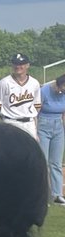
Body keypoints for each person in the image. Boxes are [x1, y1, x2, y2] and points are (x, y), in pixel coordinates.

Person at [0, 51, 42, 140]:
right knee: (10, 152)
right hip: (10, 122)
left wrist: (35, 129)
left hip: (29, 123)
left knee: (30, 152)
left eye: (21, 64)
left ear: (27, 65)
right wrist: (7, 117)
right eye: (15, 63)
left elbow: (36, 107)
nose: (18, 66)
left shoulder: (34, 83)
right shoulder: (4, 83)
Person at [39, 74, 65, 207]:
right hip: (43, 124)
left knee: (56, 162)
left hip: (58, 126)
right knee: (43, 161)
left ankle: (57, 194)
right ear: (58, 84)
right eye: (61, 89)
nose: (61, 92)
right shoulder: (44, 90)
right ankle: (43, 194)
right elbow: (36, 110)